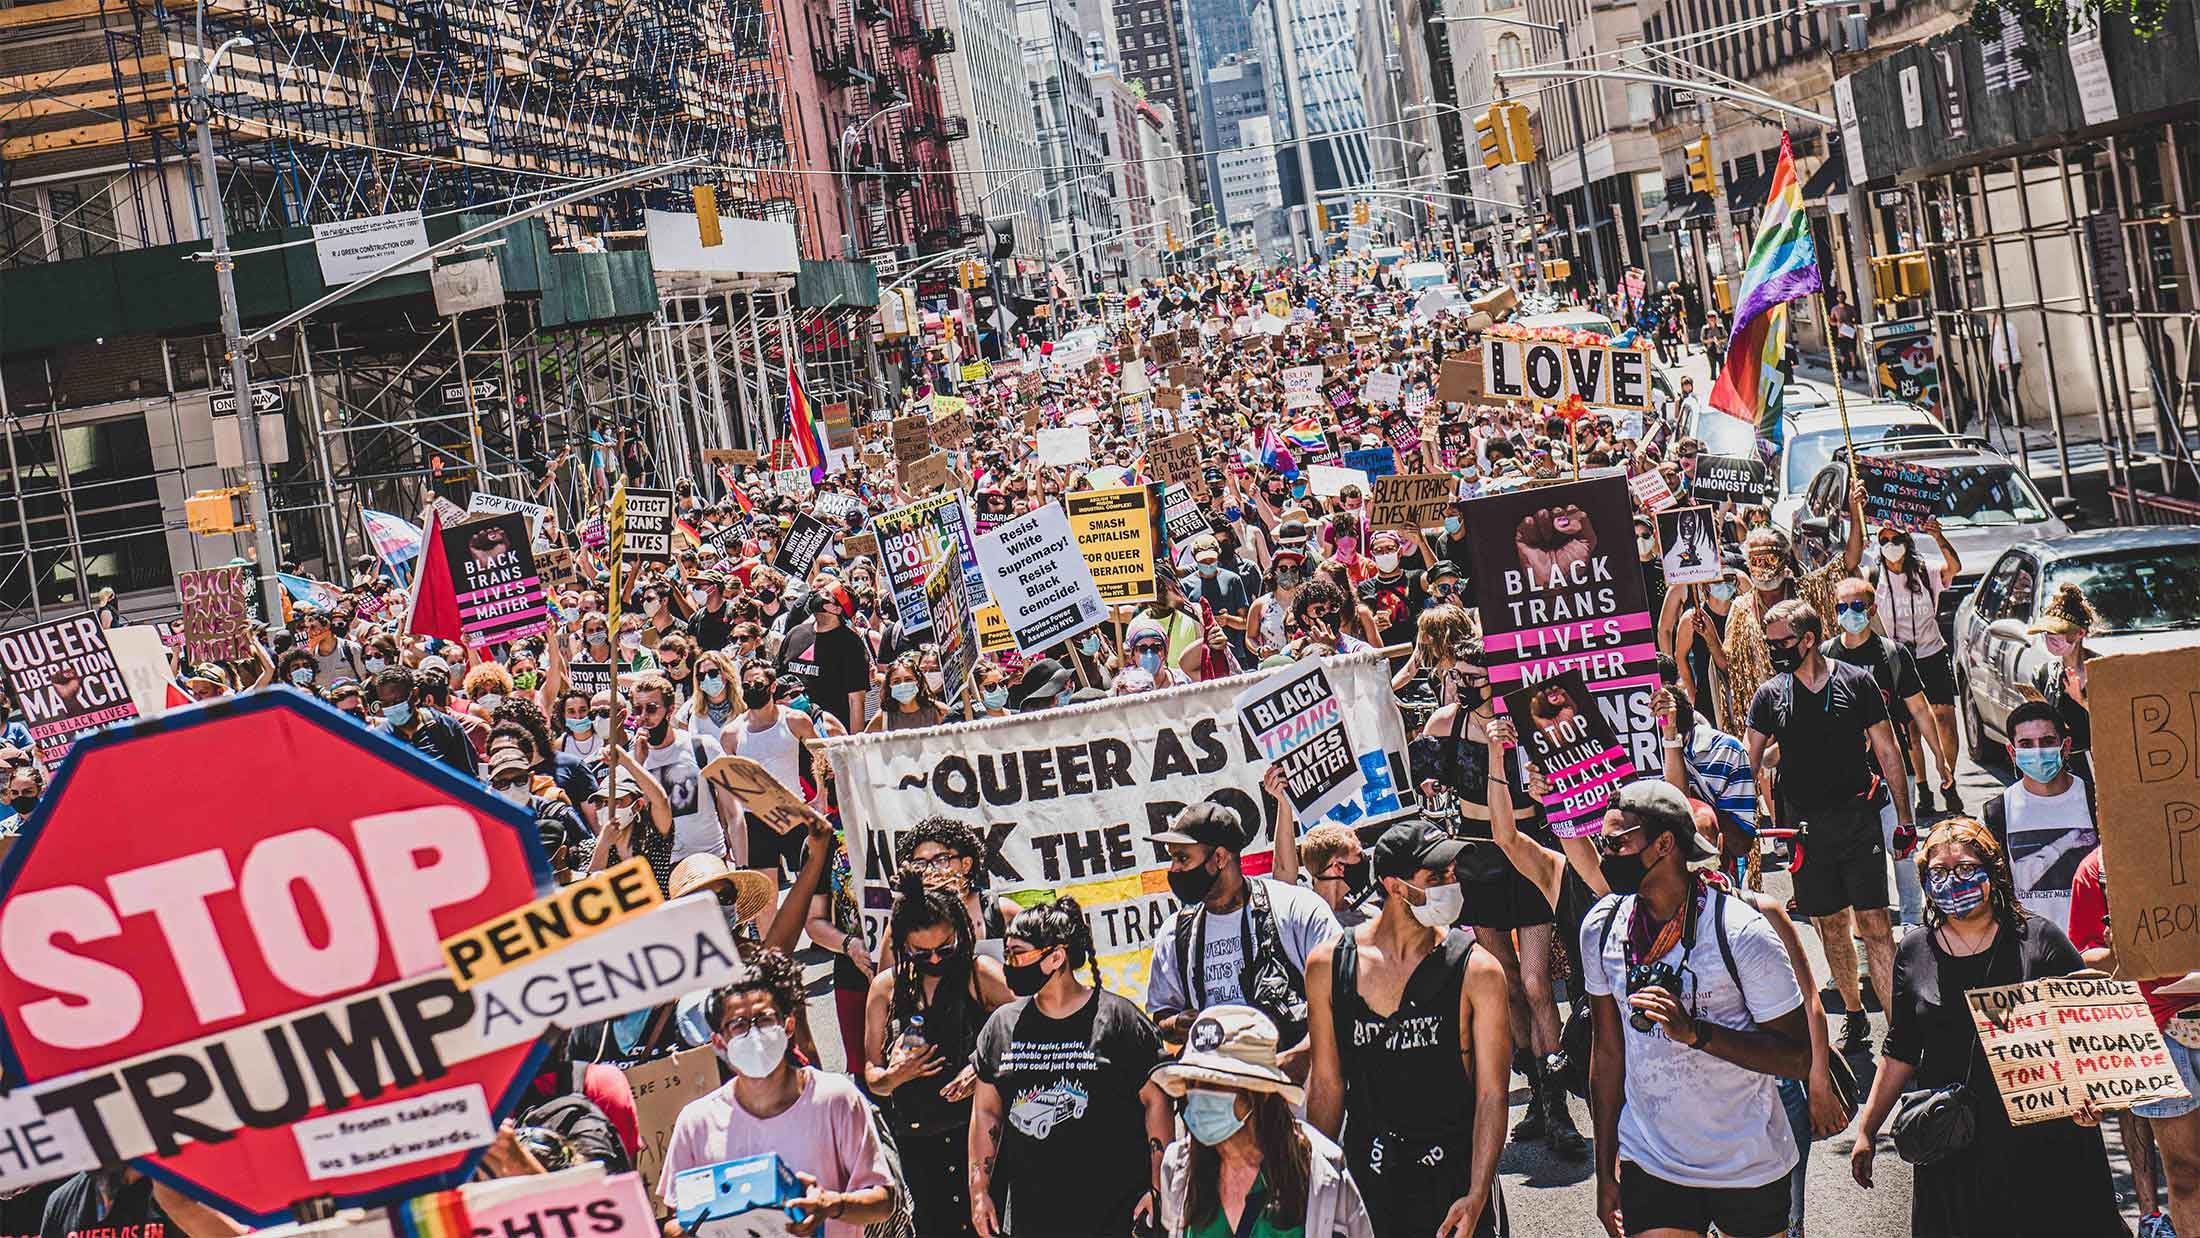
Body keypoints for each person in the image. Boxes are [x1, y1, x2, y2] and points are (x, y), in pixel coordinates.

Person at [1850, 818, 2127, 1237]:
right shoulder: (1913, 950)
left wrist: (2095, 1104)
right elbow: (1901, 1049)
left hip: (2045, 1146)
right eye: (1937, 873)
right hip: (1957, 1147)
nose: (1951, 882)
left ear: (1993, 872)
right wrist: (1868, 1130)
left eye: (1964, 868)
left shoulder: (2040, 939)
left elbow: (2088, 1032)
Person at [1584, 780, 1811, 1238]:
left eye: (1617, 843)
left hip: (1746, 1163)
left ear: (1664, 845)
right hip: (1651, 1159)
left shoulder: (1740, 931)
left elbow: (1797, 1057)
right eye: (1601, 843)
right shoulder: (1602, 926)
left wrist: (1696, 1034)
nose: (1605, 855)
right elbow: (1607, 1056)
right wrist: (1605, 1170)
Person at [1304, 821, 1510, 1237]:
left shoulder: (1477, 970)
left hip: (1452, 1179)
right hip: (1370, 1178)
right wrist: (1310, 1184)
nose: (1450, 885)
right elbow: (1327, 1085)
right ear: (1394, 886)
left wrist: (1478, 1191)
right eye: (1436, 877)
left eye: (1453, 874)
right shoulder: (1329, 965)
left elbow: (1492, 1095)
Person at [1745, 599, 1912, 1054]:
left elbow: (1888, 750)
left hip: (1858, 821)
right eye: (1769, 643)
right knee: (1831, 927)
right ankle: (1855, 1015)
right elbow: (1749, 761)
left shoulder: (1857, 683)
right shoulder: (1769, 695)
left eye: (1782, 642)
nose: (1774, 650)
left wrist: (1906, 818)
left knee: (1876, 925)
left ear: (1809, 639)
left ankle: (1900, 1032)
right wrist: (1740, 823)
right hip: (1806, 831)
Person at [968, 897, 1173, 1238]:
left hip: (1116, 1217)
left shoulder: (1119, 1019)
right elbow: (987, 1112)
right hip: (1033, 1221)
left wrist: (1158, 1188)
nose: (1008, 964)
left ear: (1055, 958)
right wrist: (980, 1192)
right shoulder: (1001, 1026)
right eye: (1007, 954)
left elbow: (1157, 1102)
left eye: (1018, 953)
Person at [657, 951, 899, 1238]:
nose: (754, 1034)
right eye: (739, 1025)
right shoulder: (696, 1122)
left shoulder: (837, 1099)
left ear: (788, 1025)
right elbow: (673, 1222)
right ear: (719, 1043)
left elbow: (883, 1202)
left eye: (763, 1020)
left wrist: (831, 1205)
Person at [863, 873, 1013, 1237]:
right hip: (916, 1140)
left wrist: (981, 1067)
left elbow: (1029, 1036)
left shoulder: (981, 975)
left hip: (978, 1135)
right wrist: (895, 1076)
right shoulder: (887, 988)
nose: (934, 958)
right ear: (902, 945)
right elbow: (871, 1074)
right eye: (921, 952)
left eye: (945, 948)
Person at [1150, 1005, 1376, 1238]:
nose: (1198, 1096)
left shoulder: (1323, 1172)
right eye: (1191, 1083)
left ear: (1258, 1093)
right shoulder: (1178, 1167)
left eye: (1213, 1084)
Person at [1146, 803, 1342, 1070]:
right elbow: (1162, 1016)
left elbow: (1343, 997)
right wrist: (1177, 1025)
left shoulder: (1295, 909)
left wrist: (1299, 1058)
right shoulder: (1175, 932)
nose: (1174, 870)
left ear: (1220, 858)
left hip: (1296, 1098)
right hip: (1217, 1100)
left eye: (1182, 858)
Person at [2070, 843, 2199, 1238]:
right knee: (2183, 1173)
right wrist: (2120, 950)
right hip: (2160, 1034)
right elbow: (2084, 957)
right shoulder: (2096, 870)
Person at [1823, 575, 1936, 926]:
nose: (1849, 613)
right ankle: (1866, 923)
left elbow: (1919, 708)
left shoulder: (1891, 654)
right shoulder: (1825, 656)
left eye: (1857, 607)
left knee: (1901, 848)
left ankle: (1913, 920)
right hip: (1845, 778)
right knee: (1856, 855)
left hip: (1892, 773)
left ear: (1871, 609)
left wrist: (1942, 763)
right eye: (1842, 607)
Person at [1872, 521, 1963, 812]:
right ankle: (1923, 787)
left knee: (1944, 719)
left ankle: (1949, 780)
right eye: (1883, 539)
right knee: (1910, 727)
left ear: (1907, 540)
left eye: (1895, 538)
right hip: (1898, 659)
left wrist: (1937, 535)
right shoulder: (1875, 577)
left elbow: (1954, 568)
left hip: (1932, 653)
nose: (1890, 544)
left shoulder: (1926, 570)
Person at [629, 672, 739, 865]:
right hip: (665, 863)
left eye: (652, 709)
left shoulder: (702, 746)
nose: (644, 717)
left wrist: (739, 857)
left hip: (710, 855)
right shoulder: (633, 759)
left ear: (670, 710)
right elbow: (638, 813)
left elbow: (731, 808)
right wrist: (638, 763)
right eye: (638, 710)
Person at [2028, 582, 2097, 785]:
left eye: (2059, 633)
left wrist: (2082, 700)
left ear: (2079, 633)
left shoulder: (2101, 670)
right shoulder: (2044, 673)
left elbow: (2121, 723)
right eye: (2047, 634)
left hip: (2098, 765)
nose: (2052, 639)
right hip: (2061, 768)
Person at [778, 588, 874, 731]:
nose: (817, 595)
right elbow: (777, 677)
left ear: (836, 609)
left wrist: (855, 746)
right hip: (789, 732)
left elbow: (856, 701)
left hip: (828, 733)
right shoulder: (795, 633)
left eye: (827, 594)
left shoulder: (851, 644)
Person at [370, 664, 476, 774]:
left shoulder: (446, 727)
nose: (393, 707)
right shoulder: (380, 738)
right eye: (386, 703)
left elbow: (470, 777)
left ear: (414, 694)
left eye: (398, 701)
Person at [869, 653, 948, 732]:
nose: (903, 685)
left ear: (918, 681)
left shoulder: (938, 710)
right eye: (896, 682)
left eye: (908, 680)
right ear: (889, 685)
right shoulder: (883, 717)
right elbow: (865, 742)